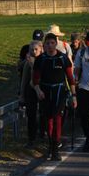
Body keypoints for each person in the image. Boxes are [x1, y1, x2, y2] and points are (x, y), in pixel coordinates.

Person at [32, 33, 77, 161]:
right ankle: (51, 146)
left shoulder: (63, 58)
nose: (50, 46)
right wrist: (38, 90)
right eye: (48, 43)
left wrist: (74, 96)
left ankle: (56, 149)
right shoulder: (41, 59)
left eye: (52, 43)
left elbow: (70, 78)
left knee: (57, 119)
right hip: (45, 91)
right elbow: (35, 79)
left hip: (59, 91)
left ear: (56, 44)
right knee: (48, 120)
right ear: (44, 45)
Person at [19, 40, 43, 147]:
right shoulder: (27, 63)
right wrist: (22, 96)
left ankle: (42, 135)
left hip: (43, 90)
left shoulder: (44, 60)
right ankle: (31, 139)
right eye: (32, 49)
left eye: (36, 49)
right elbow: (24, 80)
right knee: (31, 115)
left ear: (41, 49)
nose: (34, 51)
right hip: (30, 91)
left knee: (43, 115)